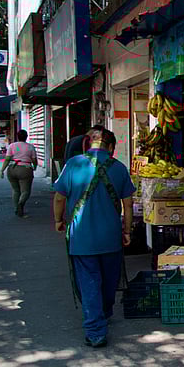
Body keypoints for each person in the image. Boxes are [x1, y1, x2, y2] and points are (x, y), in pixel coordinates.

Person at [53, 128, 135, 348]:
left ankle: (96, 331)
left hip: (81, 237)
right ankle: (104, 312)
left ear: (88, 143)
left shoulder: (73, 164)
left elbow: (60, 198)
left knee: (89, 282)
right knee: (109, 280)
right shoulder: (119, 168)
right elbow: (128, 205)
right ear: (111, 147)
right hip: (110, 236)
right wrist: (127, 231)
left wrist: (58, 221)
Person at [0, 130, 38, 217]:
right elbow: (34, 160)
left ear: (17, 136)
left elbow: (7, 159)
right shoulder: (30, 147)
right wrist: (35, 166)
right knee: (25, 191)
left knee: (15, 190)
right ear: (26, 136)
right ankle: (21, 204)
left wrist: (2, 170)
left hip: (12, 169)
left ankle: (16, 208)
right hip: (25, 169)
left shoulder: (12, 146)